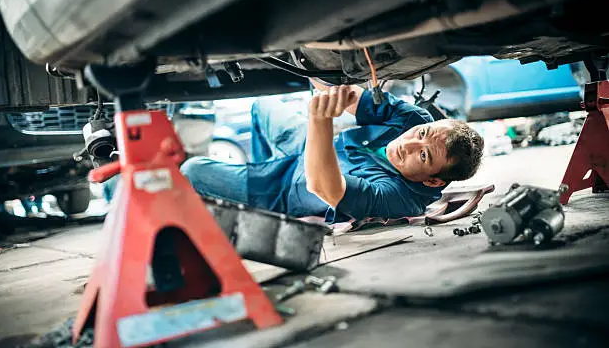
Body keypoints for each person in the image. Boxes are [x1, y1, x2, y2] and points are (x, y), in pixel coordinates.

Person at [171, 82, 484, 224]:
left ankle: (257, 204)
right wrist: (325, 72)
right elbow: (348, 95)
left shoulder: (401, 197)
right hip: (307, 144)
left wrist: (320, 118)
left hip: (285, 188)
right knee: (261, 106)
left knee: (193, 170)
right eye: (422, 135)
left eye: (424, 156)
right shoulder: (418, 122)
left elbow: (321, 184)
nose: (409, 144)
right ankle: (259, 166)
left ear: (432, 182)